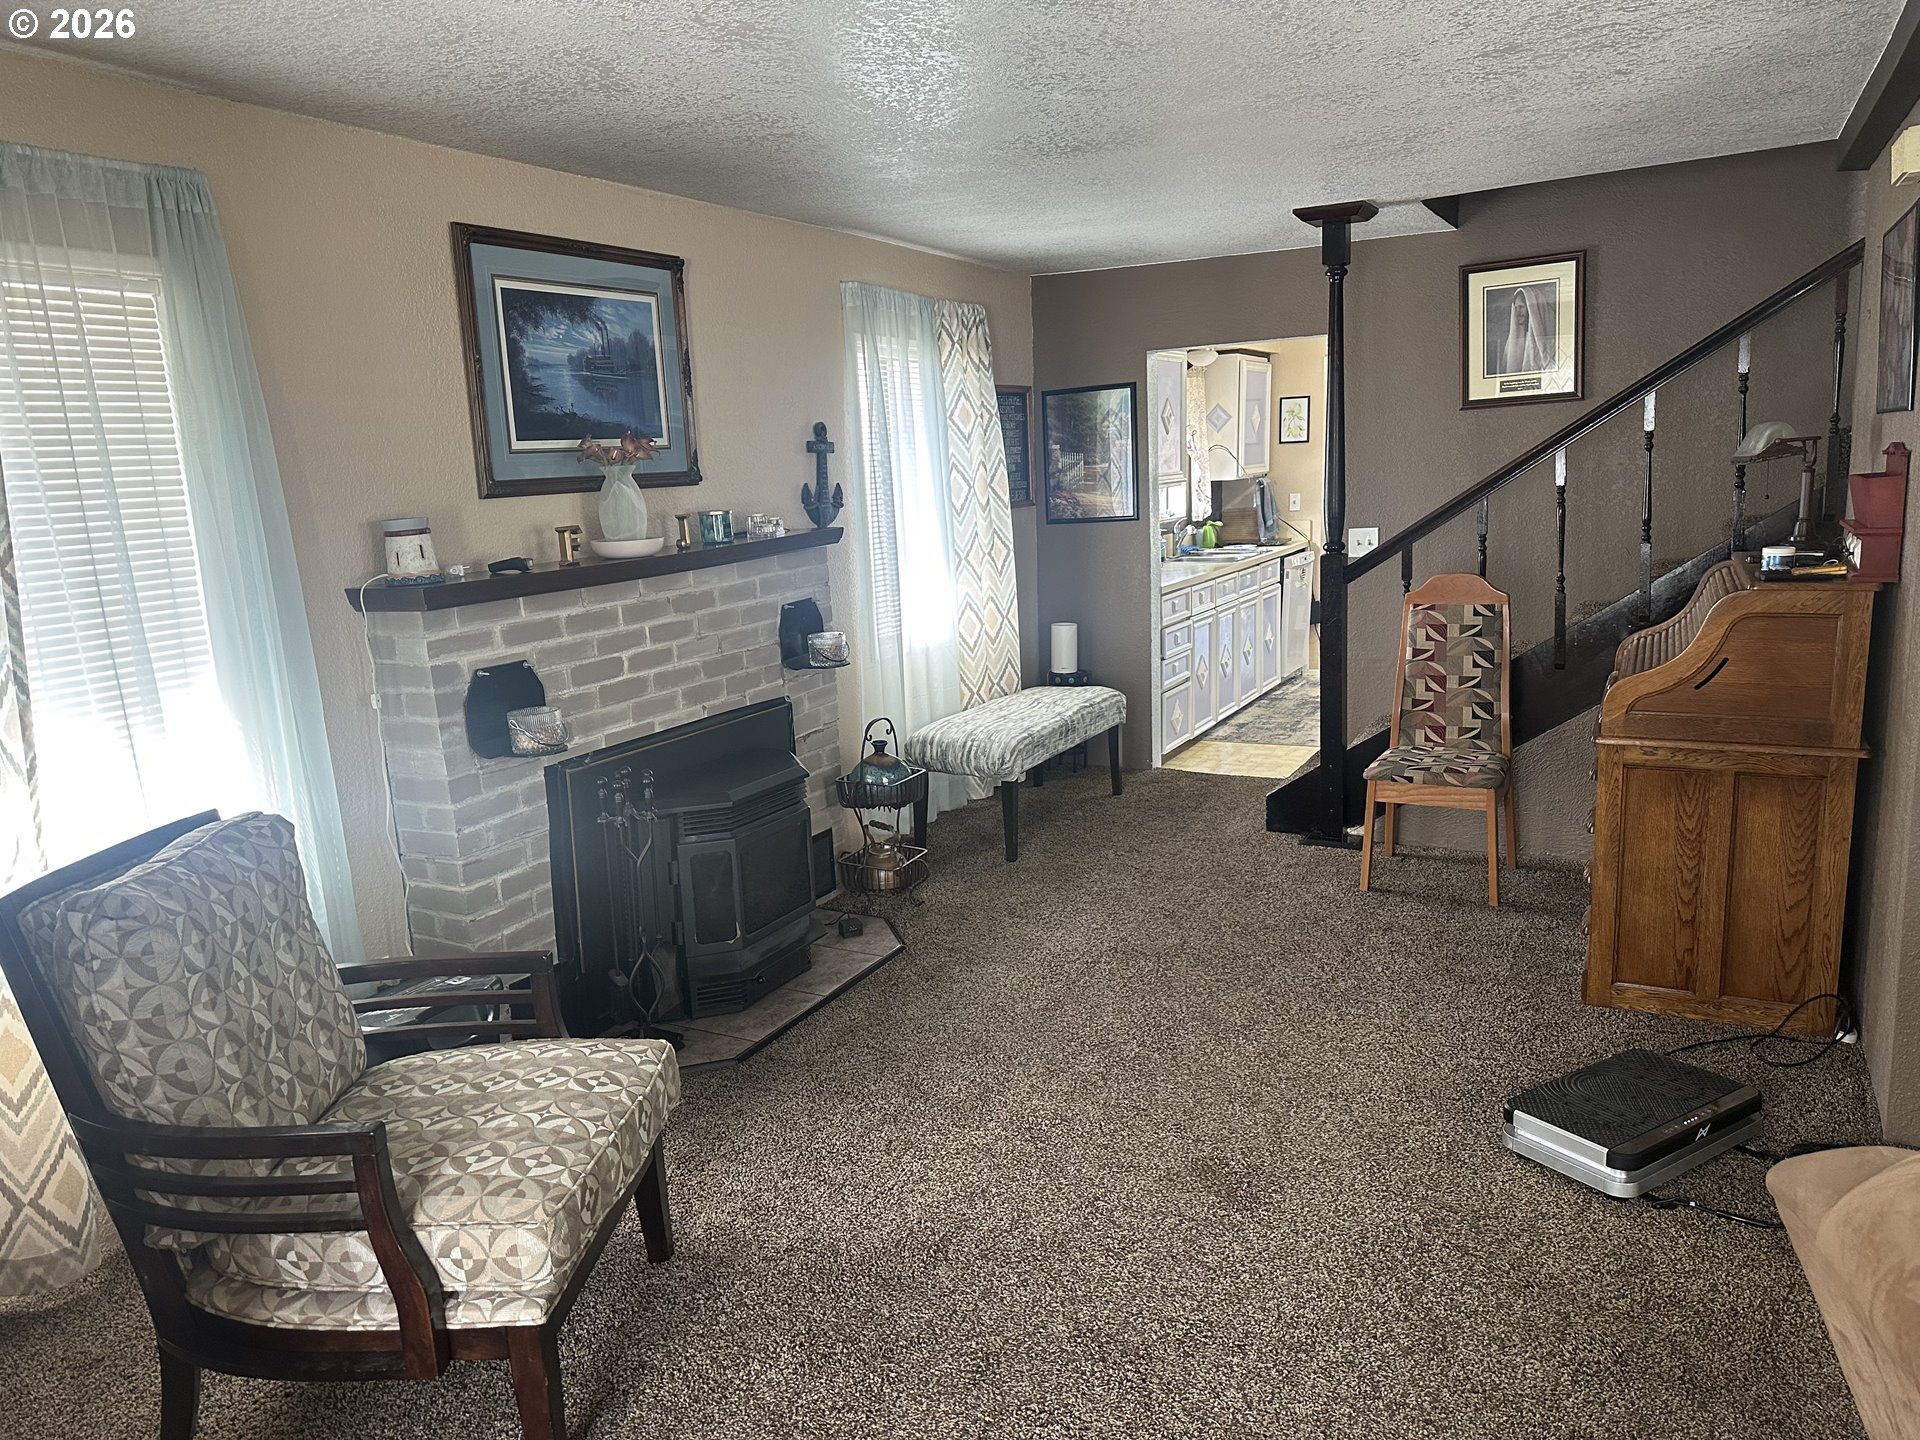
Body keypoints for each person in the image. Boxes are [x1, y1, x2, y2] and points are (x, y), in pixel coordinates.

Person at [1495, 285, 1555, 374]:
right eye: (1515, 308)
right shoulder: (1512, 342)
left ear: (1532, 308)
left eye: (1521, 307)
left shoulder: (1551, 337)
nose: (1517, 312)